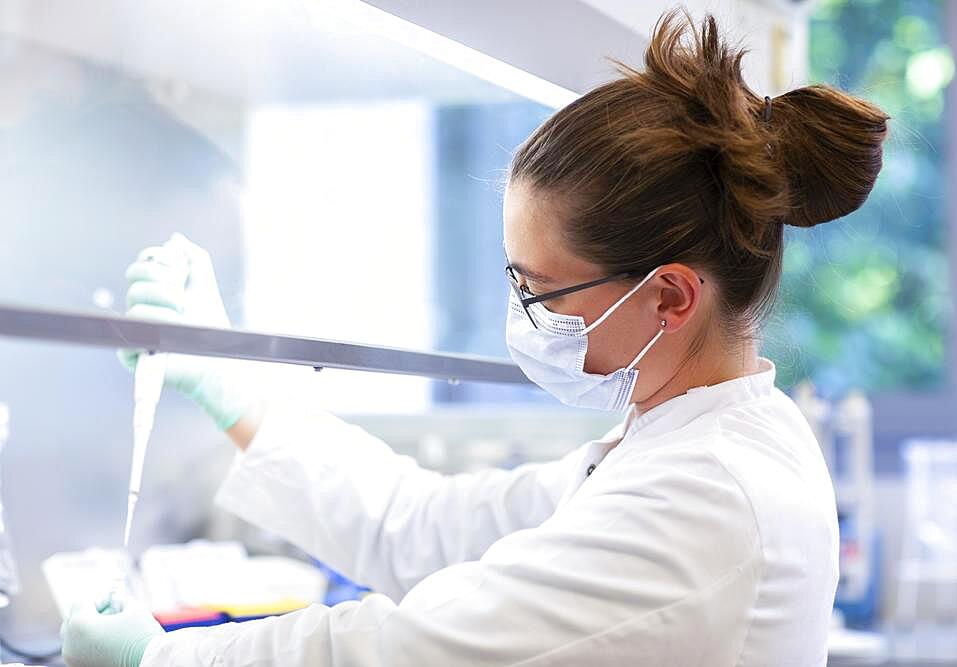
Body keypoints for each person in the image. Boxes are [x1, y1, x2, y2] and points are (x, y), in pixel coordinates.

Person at [60, 10, 889, 667]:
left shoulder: (711, 495)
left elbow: (409, 651)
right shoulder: (681, 443)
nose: (523, 317)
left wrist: (157, 658)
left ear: (668, 295)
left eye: (540, 291)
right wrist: (228, 382)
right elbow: (428, 529)